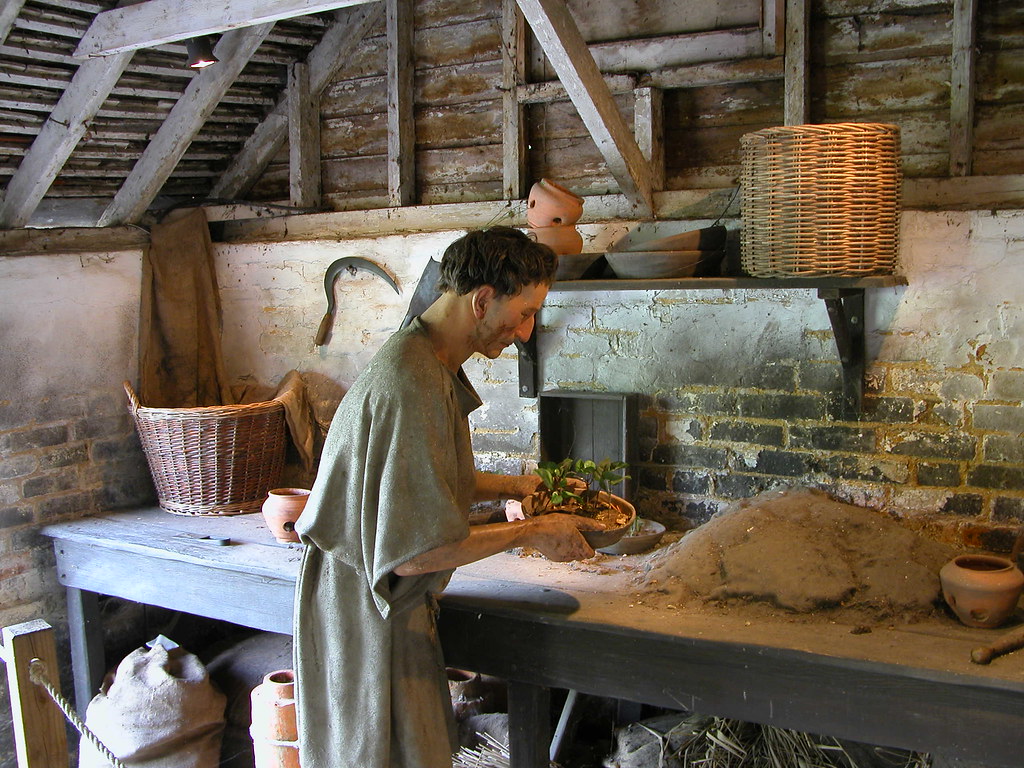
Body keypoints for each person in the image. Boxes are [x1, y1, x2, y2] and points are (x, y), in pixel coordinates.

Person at [292, 226, 600, 768]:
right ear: (482, 300)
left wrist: (516, 486)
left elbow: (422, 472)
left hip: (381, 596)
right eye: (524, 313)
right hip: (369, 608)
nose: (526, 333)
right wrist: (531, 531)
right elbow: (413, 555)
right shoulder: (411, 382)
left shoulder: (426, 354)